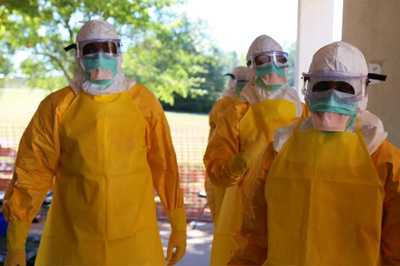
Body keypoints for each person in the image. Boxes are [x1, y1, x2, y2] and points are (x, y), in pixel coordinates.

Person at [3, 19, 186, 266]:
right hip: (73, 243)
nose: (100, 56)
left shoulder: (144, 103)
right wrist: (16, 242)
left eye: (108, 48)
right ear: (78, 55)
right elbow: (31, 172)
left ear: (119, 53)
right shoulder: (57, 107)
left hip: (134, 241)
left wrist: (178, 224)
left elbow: (164, 165)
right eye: (91, 49)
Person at [263, 41, 400, 265]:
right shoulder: (280, 149)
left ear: (363, 89)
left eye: (345, 88)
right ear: (308, 86)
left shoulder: (385, 160)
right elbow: (255, 233)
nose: (331, 97)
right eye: (323, 86)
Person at [204, 34, 304, 266]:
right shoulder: (235, 112)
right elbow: (217, 170)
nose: (272, 67)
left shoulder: (304, 112)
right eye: (262, 61)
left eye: (279, 59)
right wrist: (242, 161)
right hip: (241, 211)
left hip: (289, 206)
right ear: (251, 68)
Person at [205, 66, 253, 223]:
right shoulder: (226, 106)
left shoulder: (230, 105)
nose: (234, 84)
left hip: (231, 173)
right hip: (225, 171)